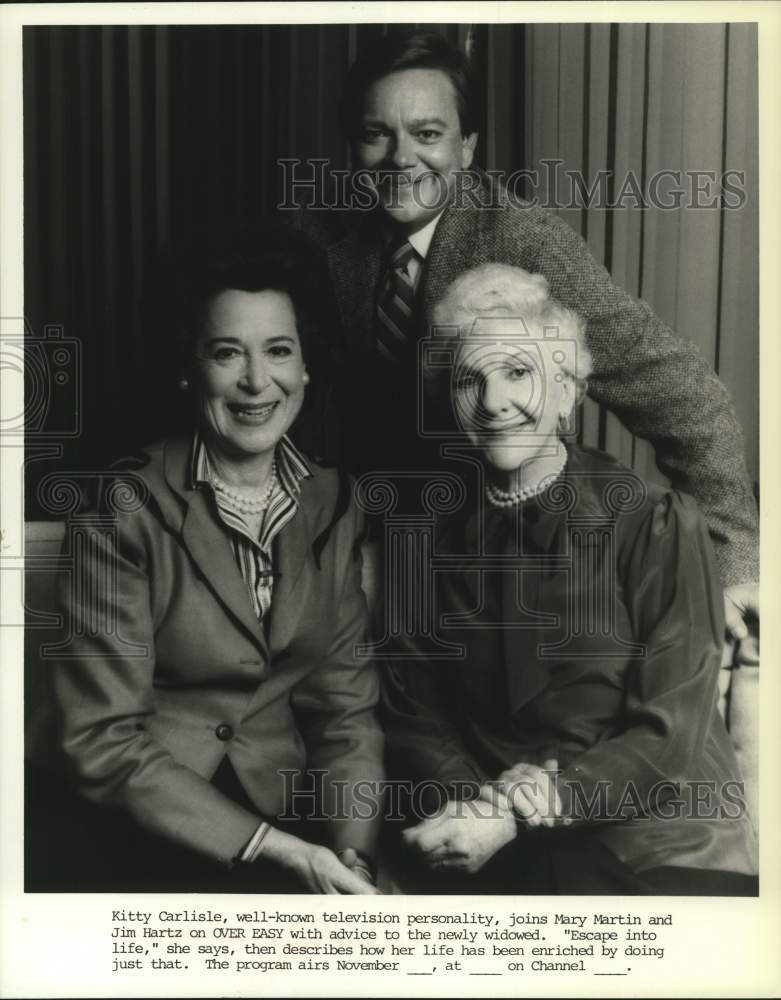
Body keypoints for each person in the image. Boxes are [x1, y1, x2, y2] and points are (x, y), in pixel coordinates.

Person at [292, 29, 758, 642]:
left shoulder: (524, 240)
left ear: (467, 148)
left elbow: (683, 392)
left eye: (428, 134)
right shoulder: (320, 240)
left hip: (507, 553)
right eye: (378, 134)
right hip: (376, 545)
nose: (401, 158)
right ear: (353, 145)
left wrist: (735, 566)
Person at [26, 228, 384, 893]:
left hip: (280, 805)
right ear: (188, 365)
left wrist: (352, 854)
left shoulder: (335, 503)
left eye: (279, 350)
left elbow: (345, 713)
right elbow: (100, 739)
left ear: (307, 366)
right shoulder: (121, 507)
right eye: (227, 353)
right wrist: (283, 851)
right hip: (133, 818)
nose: (256, 381)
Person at [381, 264, 758, 895]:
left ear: (565, 390)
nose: (495, 400)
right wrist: (479, 808)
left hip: (659, 843)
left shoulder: (653, 520)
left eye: (519, 372)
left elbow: (669, 729)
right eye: (470, 379)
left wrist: (538, 805)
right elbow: (411, 711)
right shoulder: (424, 537)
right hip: (506, 847)